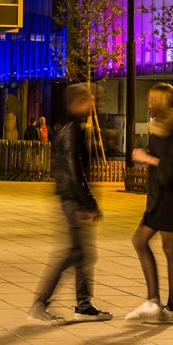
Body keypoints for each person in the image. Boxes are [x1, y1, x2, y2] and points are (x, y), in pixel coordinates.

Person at [28, 83, 112, 325]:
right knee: (74, 254)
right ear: (79, 103)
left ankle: (83, 305)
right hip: (72, 200)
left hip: (71, 198)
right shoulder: (72, 129)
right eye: (90, 101)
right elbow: (75, 172)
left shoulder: (70, 128)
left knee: (83, 254)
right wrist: (89, 203)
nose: (94, 105)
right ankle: (41, 303)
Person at [125, 82, 173, 325]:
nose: (148, 104)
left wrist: (149, 159)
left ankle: (164, 305)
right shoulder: (166, 129)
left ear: (160, 104)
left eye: (151, 100)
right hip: (163, 196)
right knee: (164, 248)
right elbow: (166, 163)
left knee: (155, 245)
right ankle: (159, 303)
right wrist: (149, 161)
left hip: (169, 197)